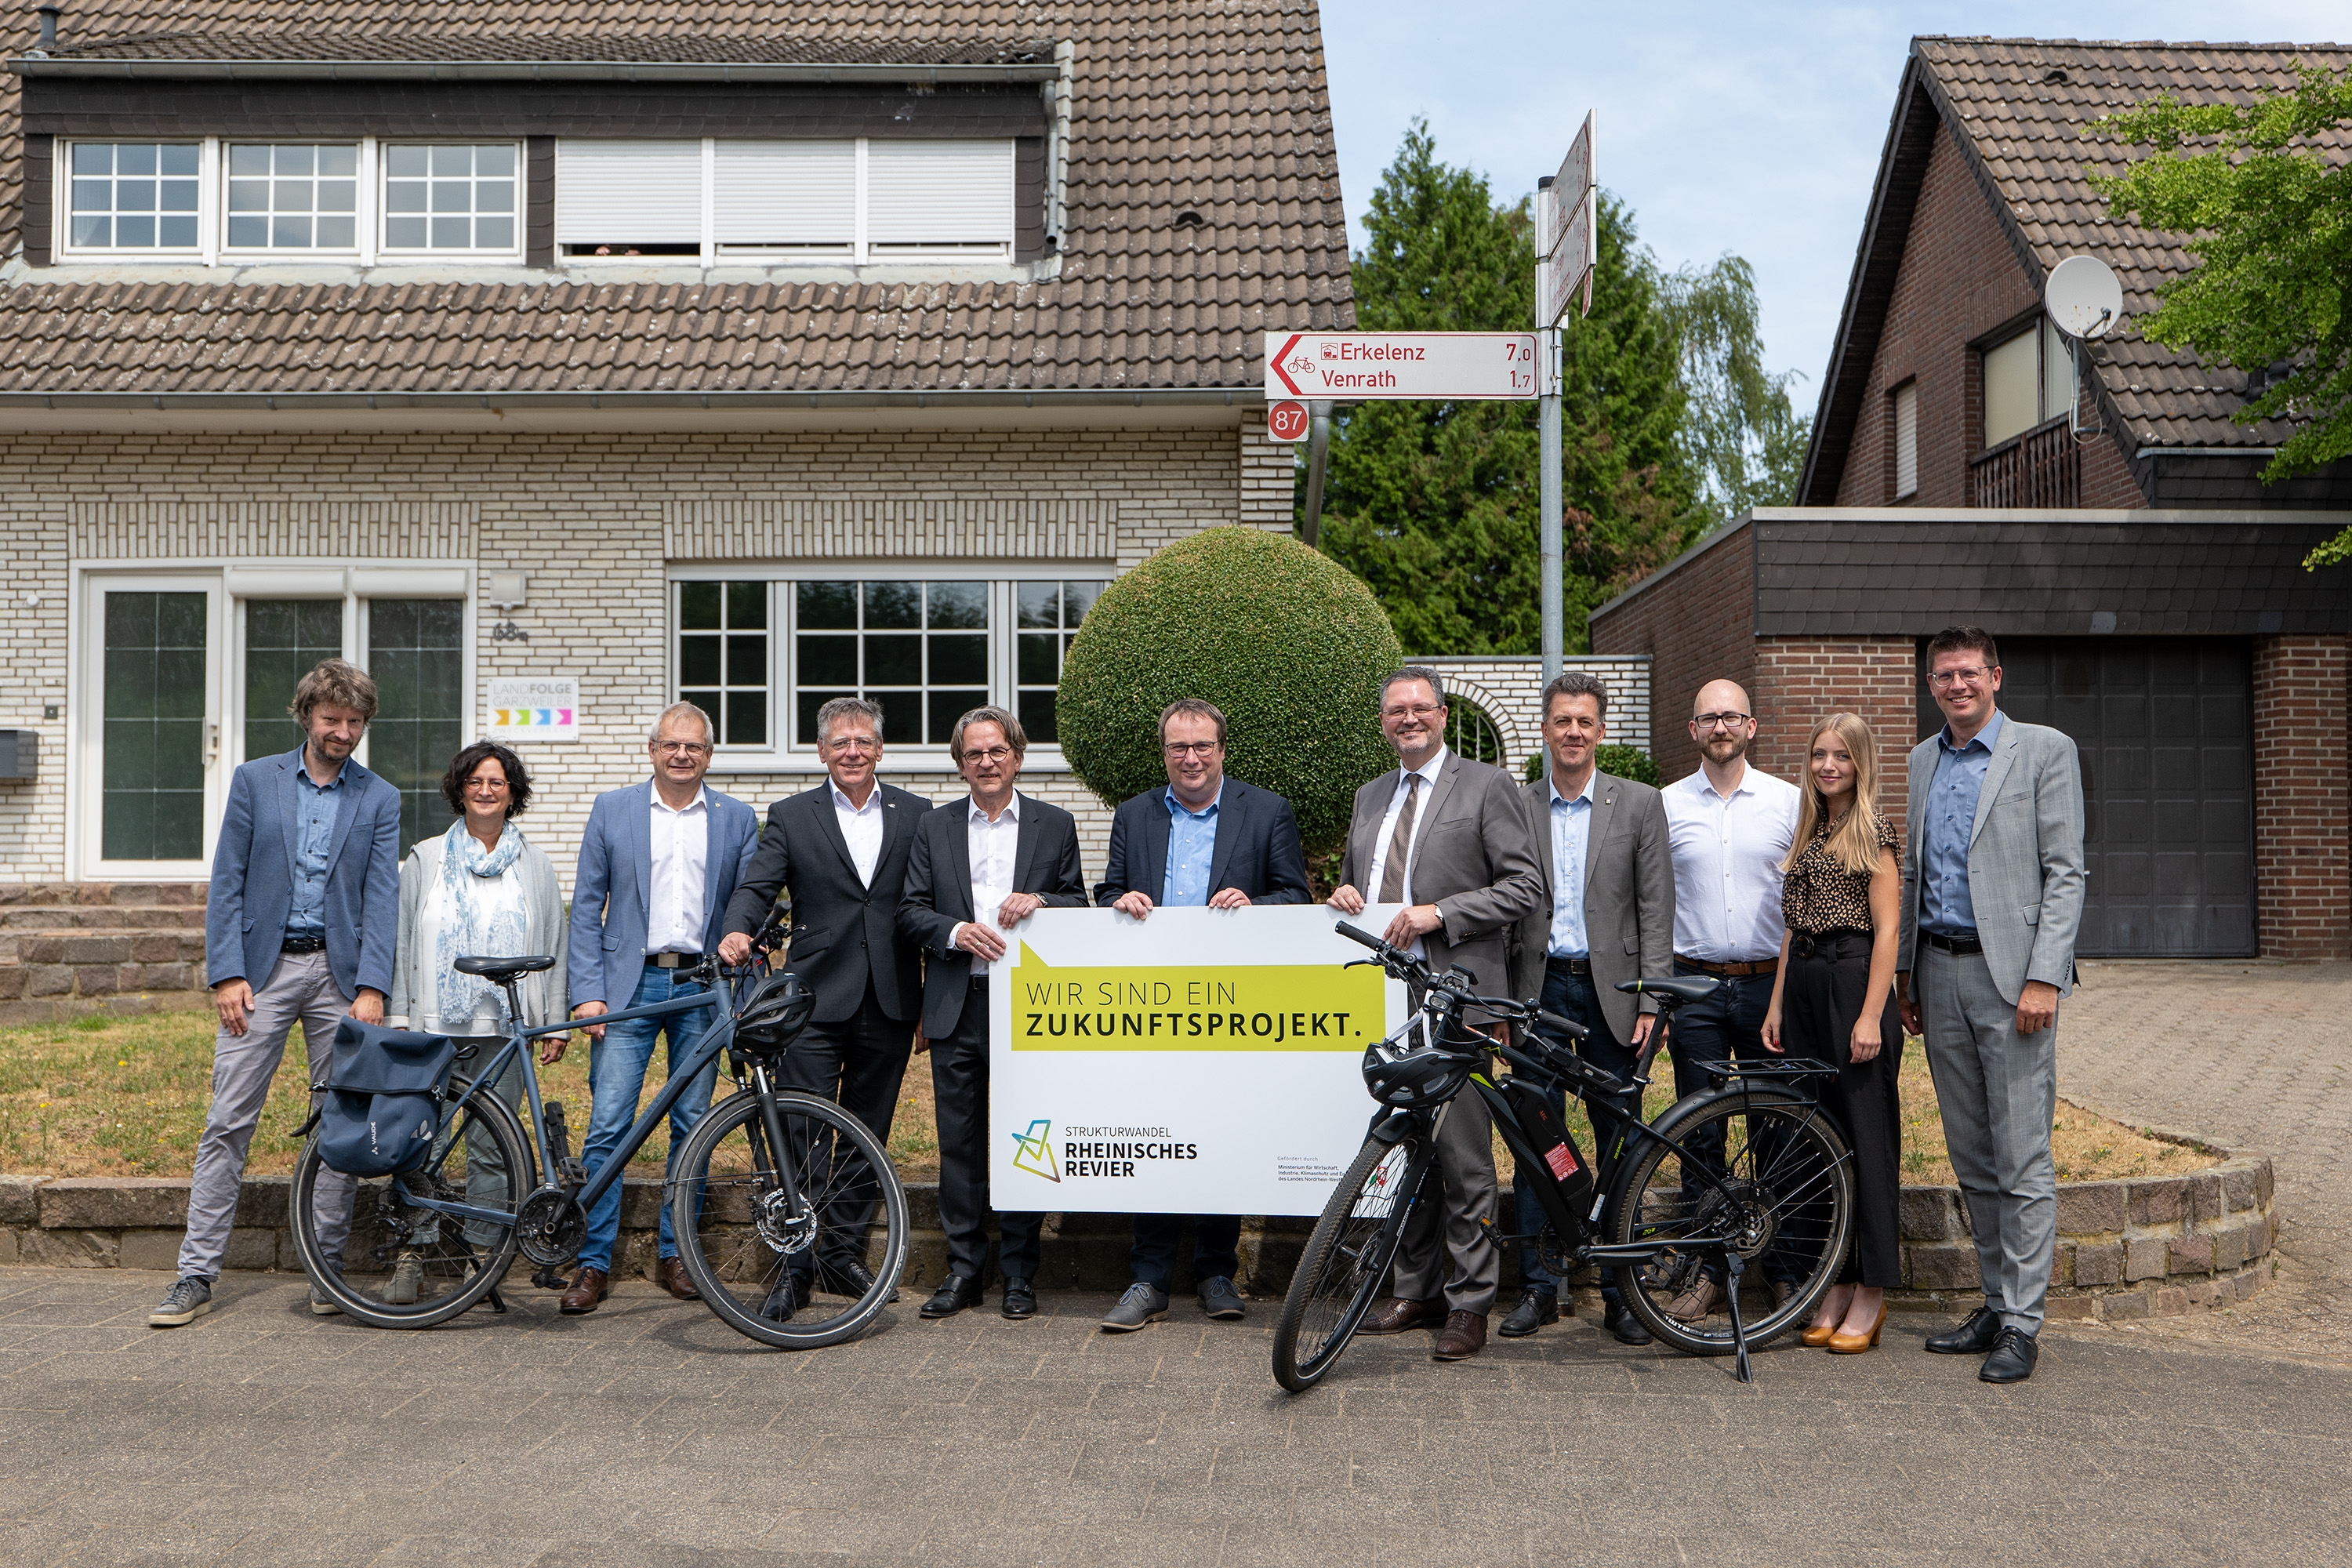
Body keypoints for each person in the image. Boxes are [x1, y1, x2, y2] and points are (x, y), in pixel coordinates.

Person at [151, 659, 403, 1327]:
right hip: (260, 976)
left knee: (340, 1128)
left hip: (341, 981)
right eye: (332, 719)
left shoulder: (378, 797)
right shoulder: (254, 781)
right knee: (228, 1122)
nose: (344, 731)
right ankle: (195, 1274)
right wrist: (227, 973)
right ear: (306, 716)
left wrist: (374, 984)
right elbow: (227, 881)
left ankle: (327, 1273)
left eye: (355, 722)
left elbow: (383, 899)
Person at [1332, 667, 1545, 1364]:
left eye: (1421, 707)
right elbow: (1367, 884)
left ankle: (1470, 1301)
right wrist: (1345, 892)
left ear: (1444, 715)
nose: (1409, 719)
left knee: (1462, 1158)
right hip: (1383, 997)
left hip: (1459, 997)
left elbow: (1523, 887)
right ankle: (1415, 1288)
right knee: (1406, 1152)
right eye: (1396, 710)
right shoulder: (1369, 796)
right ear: (1384, 719)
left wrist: (1441, 913)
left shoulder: (1488, 787)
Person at [1897, 626, 2086, 1385]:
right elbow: (1913, 872)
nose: (1955, 685)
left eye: (1968, 672)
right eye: (1943, 675)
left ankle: (2023, 1323)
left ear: (1995, 676)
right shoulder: (1921, 759)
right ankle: (1993, 1299)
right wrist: (1908, 977)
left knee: (2022, 1155)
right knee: (1972, 1153)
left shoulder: (2043, 751)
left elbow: (2066, 871)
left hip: (2013, 983)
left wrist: (2046, 975)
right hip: (1937, 975)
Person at [1092, 697, 1312, 1331]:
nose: (1190, 758)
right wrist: (1120, 899)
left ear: (1222, 749)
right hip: (1151, 1008)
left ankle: (1217, 1271)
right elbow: (1105, 891)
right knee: (1154, 1131)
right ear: (1164, 752)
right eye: (1177, 747)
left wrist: (1255, 902)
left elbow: (1294, 895)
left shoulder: (1266, 810)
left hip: (1233, 1007)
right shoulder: (1134, 814)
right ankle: (1149, 1277)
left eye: (1202, 746)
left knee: (1223, 1129)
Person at [717, 697, 930, 1316]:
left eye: (864, 741)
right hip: (812, 1000)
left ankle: (843, 1254)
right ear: (822, 752)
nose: (853, 752)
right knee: (803, 1136)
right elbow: (758, 886)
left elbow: (931, 900)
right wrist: (738, 930)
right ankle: (795, 1266)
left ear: (881, 749)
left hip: (890, 997)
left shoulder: (917, 814)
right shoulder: (791, 814)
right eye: (841, 743)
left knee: (867, 1135)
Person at [557, 703, 759, 1315]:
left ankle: (679, 1255)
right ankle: (591, 1262)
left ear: (708, 755)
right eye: (670, 744)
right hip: (628, 987)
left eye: (693, 747)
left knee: (692, 1125)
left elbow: (745, 907)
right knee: (610, 1125)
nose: (681, 755)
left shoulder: (737, 818)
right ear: (651, 749)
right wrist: (586, 991)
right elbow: (587, 907)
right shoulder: (612, 809)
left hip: (701, 987)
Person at [897, 706, 1089, 1322]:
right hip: (958, 1003)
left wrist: (1041, 900)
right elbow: (910, 911)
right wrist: (955, 931)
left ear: (1017, 756)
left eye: (997, 751)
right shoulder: (934, 827)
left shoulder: (1053, 824)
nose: (986, 762)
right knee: (959, 1144)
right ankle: (962, 1273)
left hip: (1028, 1009)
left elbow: (1078, 901)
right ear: (960, 765)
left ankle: (1019, 1275)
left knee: (1024, 1141)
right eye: (974, 754)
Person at [1501, 672, 1674, 1345]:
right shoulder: (1516, 805)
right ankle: (1541, 1288)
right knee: (1537, 1140)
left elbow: (1658, 908)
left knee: (1619, 1139)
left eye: (1585, 721)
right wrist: (1509, 1005)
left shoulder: (1638, 804)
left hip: (1614, 997)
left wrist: (1653, 1000)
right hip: (1538, 996)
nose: (1573, 731)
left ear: (1601, 732)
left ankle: (1620, 1293)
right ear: (1545, 730)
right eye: (1561, 721)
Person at [383, 740, 568, 1299]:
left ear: (513, 794)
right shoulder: (425, 858)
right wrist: (398, 1014)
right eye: (475, 781)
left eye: (498, 782)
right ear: (459, 790)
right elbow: (403, 941)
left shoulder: (534, 865)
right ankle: (413, 1253)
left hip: (505, 1029)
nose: (486, 791)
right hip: (435, 1024)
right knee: (424, 1141)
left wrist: (554, 1019)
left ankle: (483, 1258)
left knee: (493, 1146)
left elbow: (554, 942)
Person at [1654, 678, 1804, 1323]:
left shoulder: (1790, 803)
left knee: (1776, 1127)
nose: (1720, 727)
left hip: (1770, 985)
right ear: (1692, 730)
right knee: (1701, 1133)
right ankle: (1709, 1269)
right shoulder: (1661, 806)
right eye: (1708, 717)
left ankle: (1785, 1268)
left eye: (1732, 716)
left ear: (1752, 726)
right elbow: (1653, 905)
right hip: (1693, 987)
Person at [1760, 713, 1905, 1354]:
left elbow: (1888, 932)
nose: (1827, 766)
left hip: (1853, 986)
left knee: (1865, 1139)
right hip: (1804, 988)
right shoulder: (1810, 828)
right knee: (1818, 1143)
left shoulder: (1872, 831)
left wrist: (1873, 1014)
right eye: (1819, 755)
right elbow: (1792, 930)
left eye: (1840, 757)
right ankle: (1835, 1281)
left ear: (1860, 764)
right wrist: (1775, 1006)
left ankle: (1872, 1290)